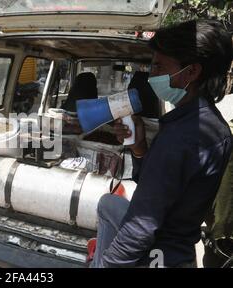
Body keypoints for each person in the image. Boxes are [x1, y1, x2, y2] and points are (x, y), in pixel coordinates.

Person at [89, 20, 233, 268]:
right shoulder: (211, 124)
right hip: (178, 245)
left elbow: (142, 224)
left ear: (191, 72)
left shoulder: (182, 136)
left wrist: (110, 263)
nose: (151, 75)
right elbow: (162, 185)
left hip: (161, 253)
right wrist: (140, 147)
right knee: (108, 203)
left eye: (158, 66)